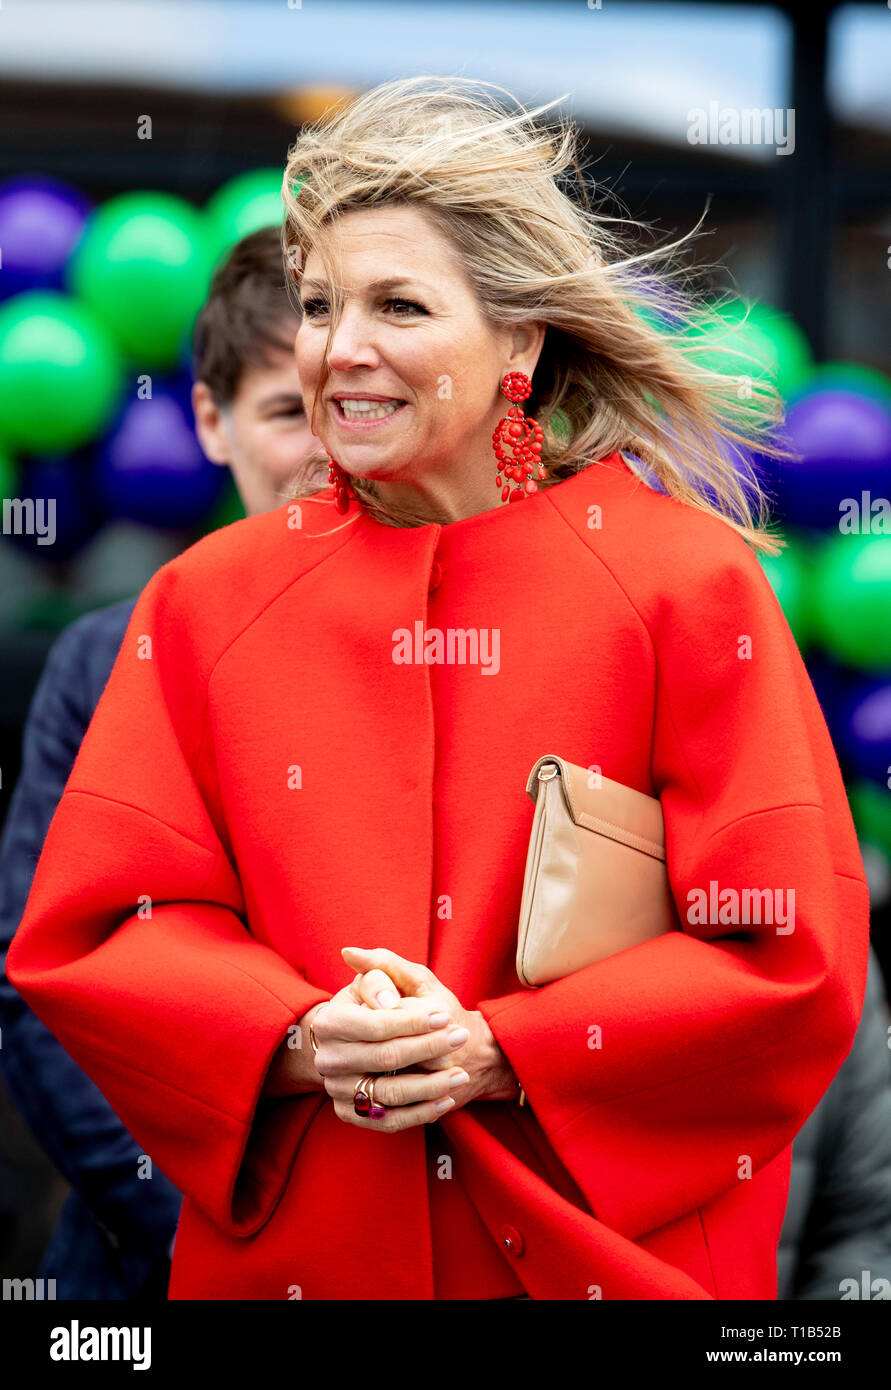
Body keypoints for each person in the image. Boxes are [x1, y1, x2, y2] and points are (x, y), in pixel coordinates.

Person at [6, 77, 870, 1301]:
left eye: (397, 305)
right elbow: (98, 930)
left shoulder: (690, 587)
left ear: (520, 336)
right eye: (319, 305)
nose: (337, 349)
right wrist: (298, 1038)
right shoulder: (204, 601)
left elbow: (792, 955)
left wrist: (503, 1049)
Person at [0, 226, 323, 1299]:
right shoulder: (105, 660)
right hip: (146, 1271)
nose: (323, 448)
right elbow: (45, 988)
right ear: (209, 420)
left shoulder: (468, 645)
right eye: (286, 411)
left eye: (345, 409)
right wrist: (196, 1231)